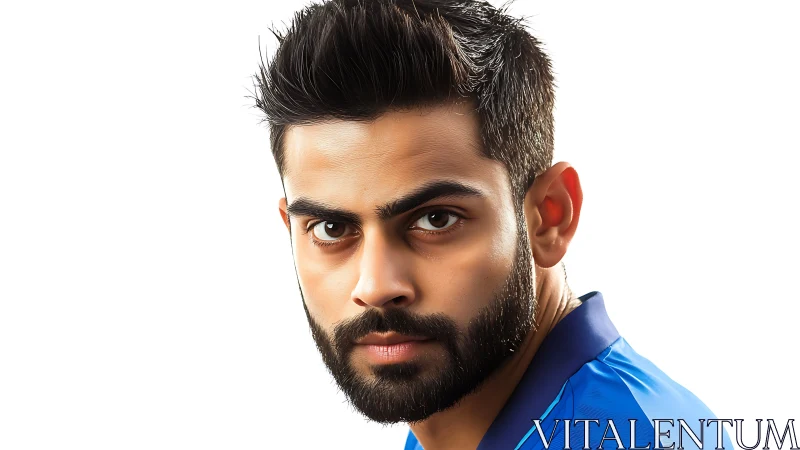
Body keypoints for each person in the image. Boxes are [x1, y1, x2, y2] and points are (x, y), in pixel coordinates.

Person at [252, 1, 732, 449]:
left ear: (549, 218)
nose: (375, 286)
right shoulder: (463, 411)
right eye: (332, 230)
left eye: (435, 220)